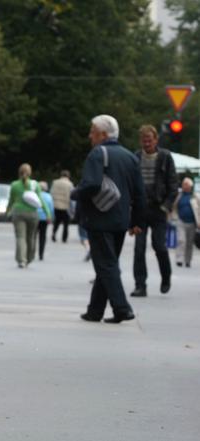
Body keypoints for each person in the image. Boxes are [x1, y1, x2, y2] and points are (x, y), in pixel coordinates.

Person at [76, 115, 146, 324]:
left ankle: (122, 308)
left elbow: (92, 185)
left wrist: (76, 192)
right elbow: (140, 193)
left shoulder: (98, 154)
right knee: (107, 264)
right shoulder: (130, 157)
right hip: (120, 221)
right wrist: (137, 222)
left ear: (103, 134)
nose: (90, 136)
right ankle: (95, 310)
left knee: (106, 265)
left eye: (92, 131)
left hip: (99, 218)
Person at [130, 124, 178, 297]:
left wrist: (166, 205)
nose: (147, 143)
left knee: (159, 246)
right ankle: (140, 285)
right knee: (139, 248)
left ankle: (166, 276)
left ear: (156, 140)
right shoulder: (135, 157)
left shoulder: (165, 157)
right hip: (141, 209)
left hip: (158, 208)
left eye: (149, 140)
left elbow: (173, 185)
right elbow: (130, 183)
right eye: (144, 140)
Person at [6, 163, 50, 268]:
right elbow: (41, 200)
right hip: (32, 214)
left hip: (18, 213)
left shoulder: (14, 185)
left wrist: (8, 211)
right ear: (30, 173)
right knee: (31, 237)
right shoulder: (35, 185)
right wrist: (47, 213)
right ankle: (29, 258)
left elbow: (11, 201)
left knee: (20, 237)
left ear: (19, 172)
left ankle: (22, 260)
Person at [173, 177, 199, 268]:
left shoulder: (195, 196)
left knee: (189, 243)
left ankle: (188, 260)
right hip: (181, 221)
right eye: (184, 184)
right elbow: (174, 206)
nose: (185, 186)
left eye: (186, 184)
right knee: (181, 240)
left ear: (190, 186)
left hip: (192, 223)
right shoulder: (179, 195)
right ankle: (179, 259)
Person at [50, 170, 74, 243]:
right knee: (66, 224)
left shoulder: (55, 182)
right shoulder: (70, 184)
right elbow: (72, 197)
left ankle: (54, 233)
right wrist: (72, 210)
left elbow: (51, 192)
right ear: (68, 176)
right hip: (65, 206)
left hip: (56, 205)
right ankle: (64, 238)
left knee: (57, 222)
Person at [37, 181, 55, 261]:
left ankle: (31, 251)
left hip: (36, 217)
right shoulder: (48, 196)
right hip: (45, 218)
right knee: (42, 236)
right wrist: (51, 217)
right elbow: (51, 208)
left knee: (33, 236)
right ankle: (41, 254)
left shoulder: (36, 195)